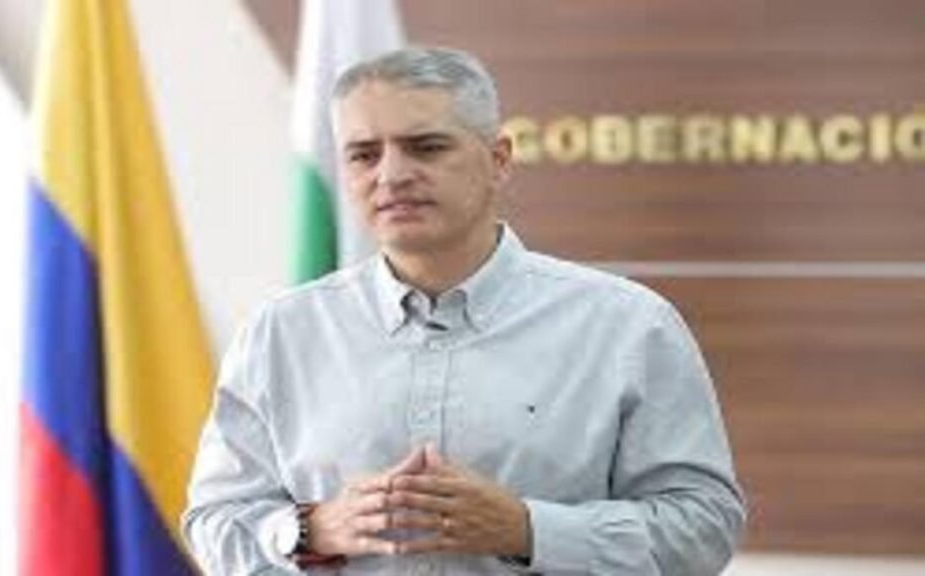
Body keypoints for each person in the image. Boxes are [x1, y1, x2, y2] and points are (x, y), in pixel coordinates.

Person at [182, 46, 745, 575]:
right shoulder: (281, 333)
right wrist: (313, 530)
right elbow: (212, 523)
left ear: (499, 160)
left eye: (426, 147)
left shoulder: (628, 327)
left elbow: (704, 528)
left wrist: (529, 530)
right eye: (364, 154)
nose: (391, 175)